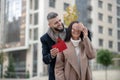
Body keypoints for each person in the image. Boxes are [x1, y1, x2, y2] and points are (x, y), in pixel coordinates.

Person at [40, 12, 67, 80]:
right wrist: (51, 55)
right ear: (50, 25)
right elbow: (45, 59)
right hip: (55, 76)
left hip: (71, 72)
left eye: (59, 20)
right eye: (56, 23)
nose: (59, 23)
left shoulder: (69, 32)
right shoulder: (45, 38)